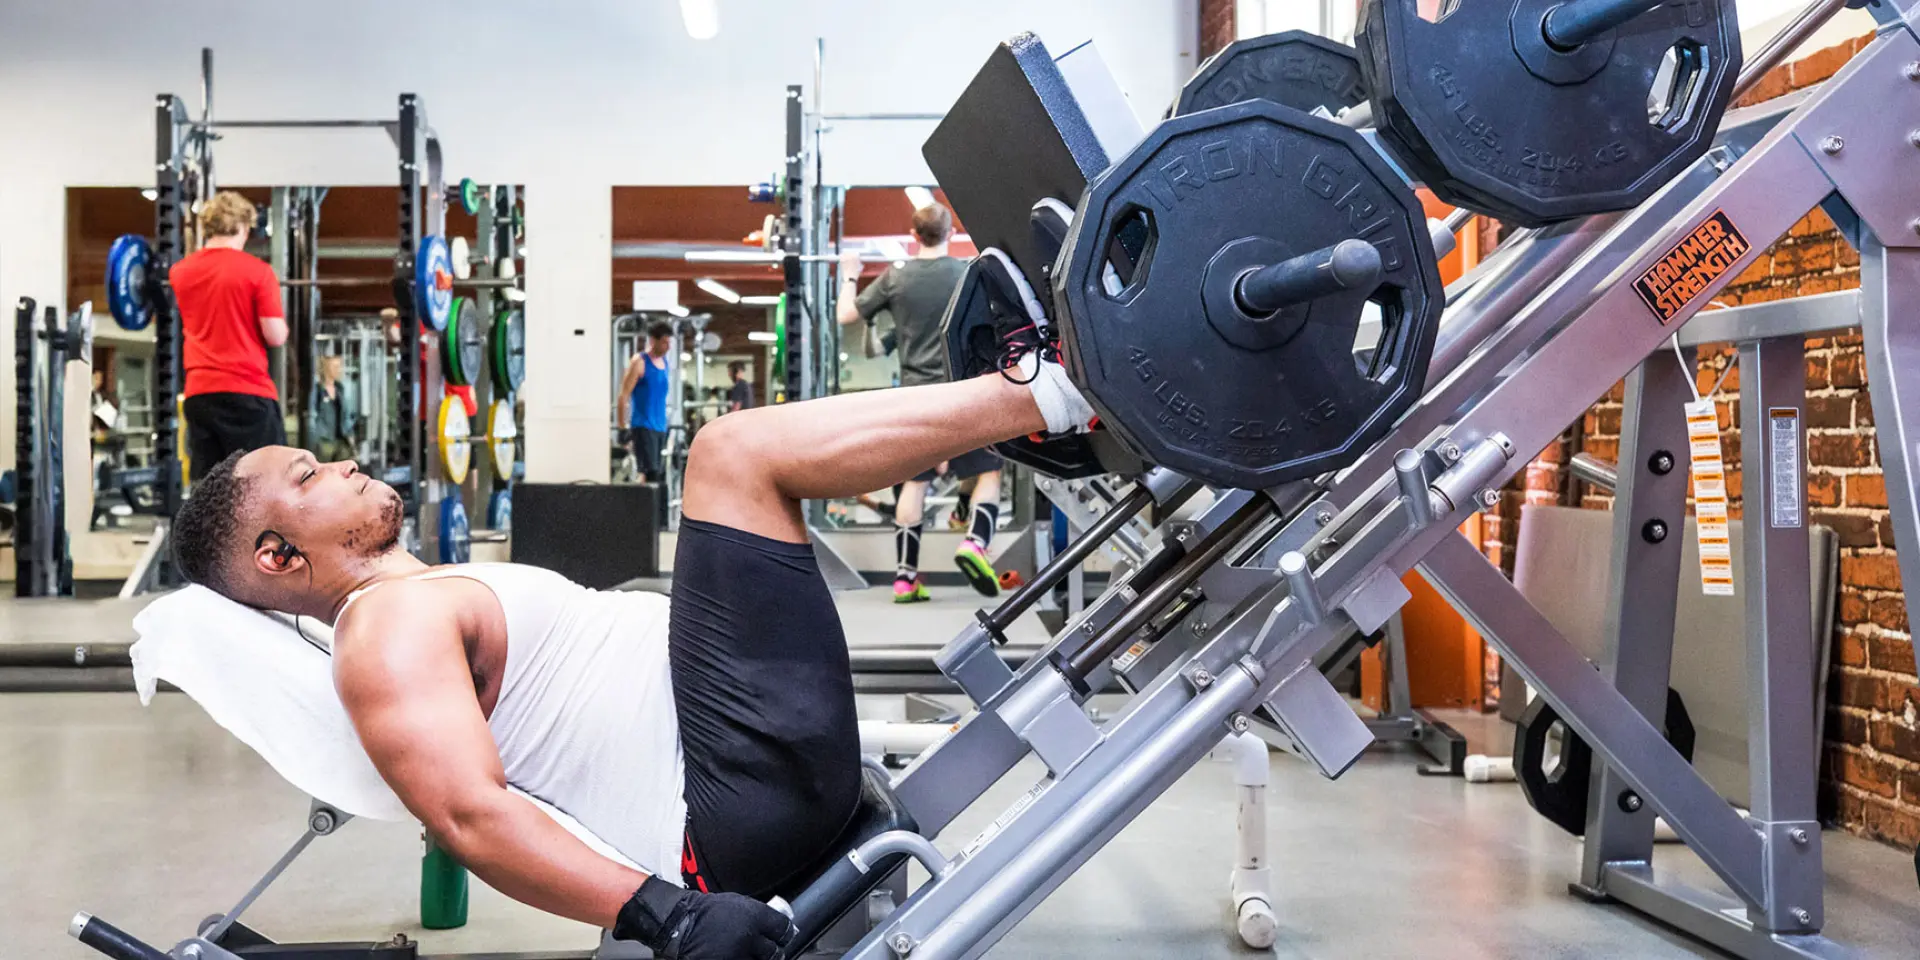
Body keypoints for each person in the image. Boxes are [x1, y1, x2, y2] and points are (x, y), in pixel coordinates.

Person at [166, 333, 1095, 959]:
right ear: (280, 555)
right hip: (727, 806)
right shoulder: (379, 631)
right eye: (309, 476)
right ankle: (1051, 391)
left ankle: (1035, 399)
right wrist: (673, 918)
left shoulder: (419, 594)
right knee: (730, 455)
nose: (341, 463)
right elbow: (468, 817)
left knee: (719, 480)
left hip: (740, 769)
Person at [836, 203, 1004, 602]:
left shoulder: (896, 276)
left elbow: (845, 315)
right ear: (951, 234)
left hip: (916, 397)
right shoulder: (967, 272)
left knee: (914, 483)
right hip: (963, 394)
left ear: (913, 235)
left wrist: (849, 275)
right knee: (989, 474)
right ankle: (975, 542)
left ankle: (905, 579)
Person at [169, 190, 289, 481]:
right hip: (246, 392)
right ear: (243, 227)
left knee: (212, 493)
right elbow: (275, 335)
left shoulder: (179, 272)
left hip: (199, 394)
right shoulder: (257, 271)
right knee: (267, 486)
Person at [618, 320, 674, 484]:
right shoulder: (639, 362)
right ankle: (643, 509)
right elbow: (623, 395)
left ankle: (648, 508)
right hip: (643, 426)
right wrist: (623, 428)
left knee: (657, 475)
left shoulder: (665, 364)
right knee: (650, 473)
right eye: (664, 342)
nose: (667, 347)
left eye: (669, 343)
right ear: (653, 341)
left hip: (660, 426)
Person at [305, 354, 358, 462]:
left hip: (340, 440)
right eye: (335, 367)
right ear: (327, 368)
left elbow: (346, 417)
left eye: (339, 366)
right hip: (323, 442)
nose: (339, 370)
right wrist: (312, 443)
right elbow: (312, 417)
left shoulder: (340, 389)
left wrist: (351, 443)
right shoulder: (317, 390)